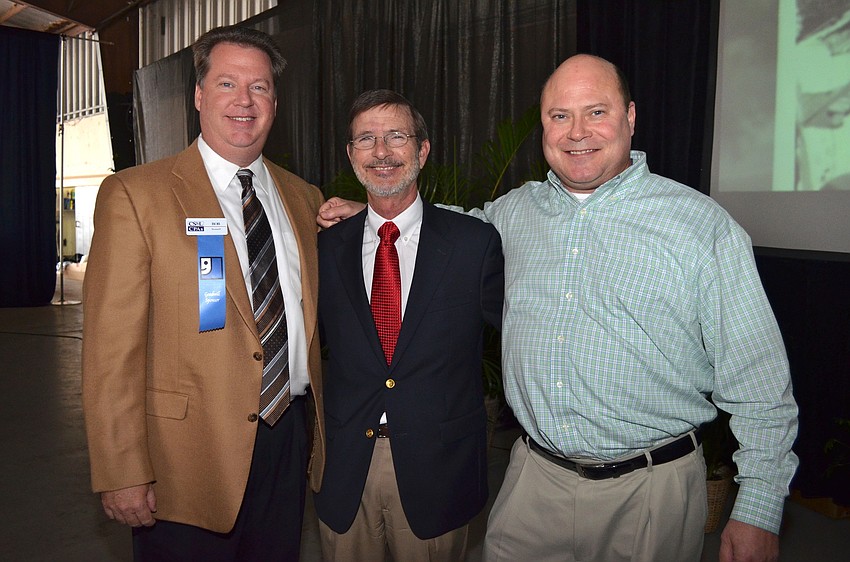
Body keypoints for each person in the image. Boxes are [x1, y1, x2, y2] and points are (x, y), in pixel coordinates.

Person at [318, 55, 799, 562]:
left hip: (650, 490)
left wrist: (759, 506)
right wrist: (375, 216)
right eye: (559, 115)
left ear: (630, 118)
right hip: (533, 483)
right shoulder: (513, 214)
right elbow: (442, 234)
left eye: (596, 112)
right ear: (543, 125)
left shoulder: (701, 227)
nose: (577, 132)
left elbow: (760, 379)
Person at [82, 25, 325, 561]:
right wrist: (122, 469)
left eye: (259, 87)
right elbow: (110, 351)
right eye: (227, 84)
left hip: (287, 441)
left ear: (275, 103)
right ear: (198, 95)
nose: (244, 101)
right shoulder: (136, 196)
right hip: (183, 458)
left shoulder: (304, 198)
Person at [313, 89, 504, 562]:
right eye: (366, 139)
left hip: (439, 469)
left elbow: (520, 338)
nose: (381, 151)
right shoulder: (324, 249)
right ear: (351, 155)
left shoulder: (473, 244)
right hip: (346, 469)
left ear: (422, 150)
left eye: (396, 136)